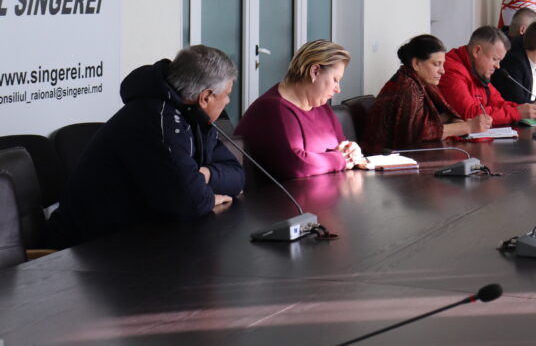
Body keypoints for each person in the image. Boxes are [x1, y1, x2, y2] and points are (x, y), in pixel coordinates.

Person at [47, 45, 245, 248]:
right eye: (226, 94)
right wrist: (205, 196)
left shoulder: (193, 117)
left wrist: (204, 175)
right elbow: (188, 202)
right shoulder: (156, 119)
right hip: (86, 248)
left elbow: (237, 176)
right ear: (205, 97)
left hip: (134, 239)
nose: (228, 100)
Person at [235, 40, 365, 180]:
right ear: (314, 71)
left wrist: (352, 151)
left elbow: (341, 147)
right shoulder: (272, 108)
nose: (338, 89)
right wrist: (340, 159)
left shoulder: (322, 107)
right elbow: (298, 164)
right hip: (278, 194)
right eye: (335, 79)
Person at [361, 34, 491, 154]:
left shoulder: (421, 82)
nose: (442, 71)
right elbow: (419, 133)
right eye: (436, 64)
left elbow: (436, 118)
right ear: (416, 64)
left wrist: (455, 122)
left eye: (443, 64)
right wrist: (468, 126)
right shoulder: (407, 87)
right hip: (384, 160)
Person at [438, 25, 536, 126]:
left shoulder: (478, 70)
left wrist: (529, 109)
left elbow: (498, 103)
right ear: (477, 51)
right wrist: (517, 113)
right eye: (495, 59)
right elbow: (470, 114)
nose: (498, 66)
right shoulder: (451, 70)